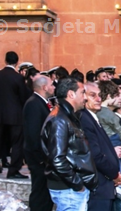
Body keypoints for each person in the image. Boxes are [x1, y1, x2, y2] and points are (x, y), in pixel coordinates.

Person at [41, 78, 97, 211]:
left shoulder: (68, 116)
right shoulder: (59, 120)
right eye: (83, 93)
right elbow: (57, 159)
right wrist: (77, 184)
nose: (85, 98)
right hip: (69, 190)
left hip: (71, 189)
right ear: (71, 94)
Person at [80, 81, 121, 210]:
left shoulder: (92, 117)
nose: (98, 99)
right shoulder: (84, 119)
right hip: (99, 184)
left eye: (100, 95)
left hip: (104, 184)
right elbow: (95, 154)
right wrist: (114, 175)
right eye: (92, 95)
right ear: (83, 97)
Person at [0, 51, 28, 178]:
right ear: (17, 62)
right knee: (16, 143)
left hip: (0, 113)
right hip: (15, 115)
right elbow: (23, 96)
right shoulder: (18, 77)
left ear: (5, 61)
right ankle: (13, 170)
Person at [23, 75, 55, 211]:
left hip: (43, 158)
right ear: (44, 87)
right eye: (52, 84)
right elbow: (33, 134)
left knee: (45, 194)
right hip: (39, 159)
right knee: (40, 193)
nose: (54, 87)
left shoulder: (42, 102)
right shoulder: (34, 104)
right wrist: (42, 159)